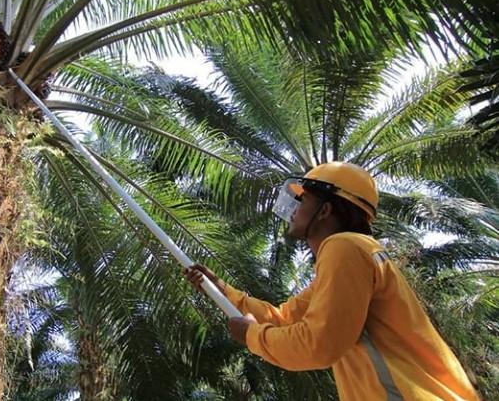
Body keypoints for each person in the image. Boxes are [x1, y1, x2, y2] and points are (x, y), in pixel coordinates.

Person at [185, 162, 479, 400]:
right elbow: (284, 318)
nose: (295, 209)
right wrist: (221, 290)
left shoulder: (345, 248)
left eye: (303, 201)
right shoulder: (356, 253)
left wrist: (251, 336)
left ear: (325, 210)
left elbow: (318, 344)